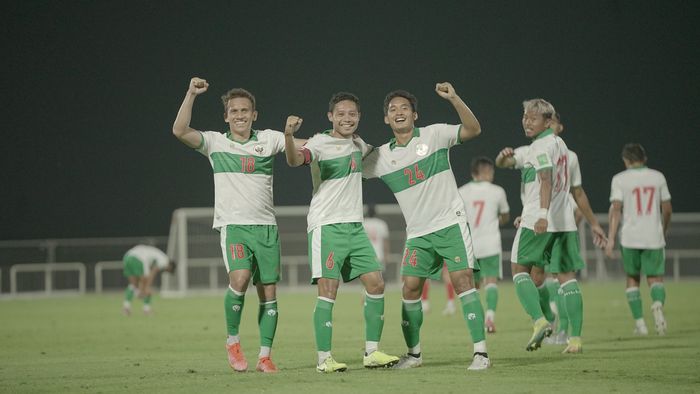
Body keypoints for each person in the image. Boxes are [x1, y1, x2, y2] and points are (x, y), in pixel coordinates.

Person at [172, 77, 302, 373]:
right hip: (234, 226)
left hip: (266, 227)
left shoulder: (270, 139)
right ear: (226, 116)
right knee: (240, 278)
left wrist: (302, 135)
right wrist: (191, 94)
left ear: (254, 114)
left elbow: (306, 148)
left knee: (268, 293)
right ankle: (232, 342)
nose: (240, 115)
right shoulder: (216, 143)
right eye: (234, 111)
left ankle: (265, 356)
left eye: (245, 110)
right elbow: (179, 130)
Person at [363, 83, 490, 371]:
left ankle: (481, 353)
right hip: (418, 234)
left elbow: (473, 129)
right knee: (409, 288)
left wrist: (455, 98)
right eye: (392, 110)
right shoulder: (381, 157)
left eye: (404, 108)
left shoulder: (435, 134)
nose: (398, 112)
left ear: (414, 115)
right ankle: (414, 355)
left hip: (449, 223)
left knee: (462, 282)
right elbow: (347, 168)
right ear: (386, 119)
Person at [284, 92, 399, 373]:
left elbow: (384, 158)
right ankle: (324, 359)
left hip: (355, 227)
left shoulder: (359, 143)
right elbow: (293, 160)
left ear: (358, 117)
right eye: (341, 114)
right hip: (327, 225)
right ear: (330, 117)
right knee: (329, 290)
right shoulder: (320, 143)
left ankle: (371, 352)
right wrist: (288, 135)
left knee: (376, 284)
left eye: (352, 114)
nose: (346, 118)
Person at [495, 99, 605, 354]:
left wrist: (542, 214)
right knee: (567, 278)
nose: (527, 122)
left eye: (533, 118)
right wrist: (594, 224)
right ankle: (575, 340)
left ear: (548, 121)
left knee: (518, 270)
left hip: (538, 219)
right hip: (565, 222)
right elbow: (577, 192)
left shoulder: (540, 146)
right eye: (524, 117)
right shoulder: (564, 149)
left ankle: (540, 321)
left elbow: (545, 178)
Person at [544, 112, 606, 345]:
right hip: (551, 221)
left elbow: (575, 194)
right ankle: (567, 333)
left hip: (547, 222)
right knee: (556, 278)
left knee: (557, 277)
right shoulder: (569, 155)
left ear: (558, 126)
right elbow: (577, 193)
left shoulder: (538, 151)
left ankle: (562, 331)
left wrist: (590, 223)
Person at [605, 143, 672, 335]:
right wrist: (663, 229)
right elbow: (667, 209)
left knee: (633, 278)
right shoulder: (658, 177)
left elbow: (616, 209)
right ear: (645, 158)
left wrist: (610, 238)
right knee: (655, 278)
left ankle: (640, 324)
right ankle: (657, 304)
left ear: (626, 160)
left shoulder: (619, 179)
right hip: (653, 235)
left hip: (630, 237)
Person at [457, 156, 510, 332]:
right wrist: (497, 219)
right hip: (490, 243)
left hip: (469, 244)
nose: (492, 174)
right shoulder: (497, 191)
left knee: (474, 286)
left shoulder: (462, 191)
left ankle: (477, 320)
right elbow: (505, 216)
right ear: (484, 172)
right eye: (490, 171)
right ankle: (490, 318)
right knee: (491, 281)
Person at [122, 244, 175, 316]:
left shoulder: (157, 255)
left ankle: (126, 308)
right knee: (147, 287)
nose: (166, 271)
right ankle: (146, 310)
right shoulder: (164, 260)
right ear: (170, 266)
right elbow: (153, 272)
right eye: (168, 270)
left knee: (133, 285)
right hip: (138, 259)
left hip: (127, 256)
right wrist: (146, 287)